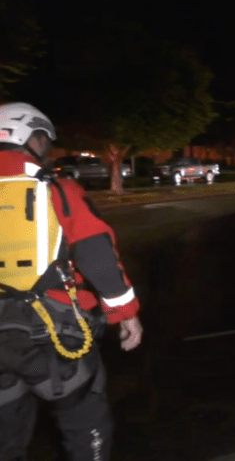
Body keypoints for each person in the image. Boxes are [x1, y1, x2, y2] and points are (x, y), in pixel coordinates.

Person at [0, 102, 143, 461]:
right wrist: (126, 314)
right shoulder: (59, 189)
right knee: (84, 428)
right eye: (43, 140)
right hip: (55, 336)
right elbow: (98, 257)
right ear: (28, 138)